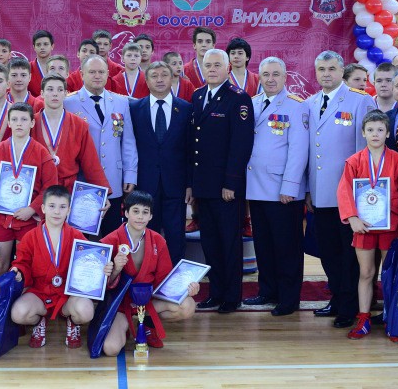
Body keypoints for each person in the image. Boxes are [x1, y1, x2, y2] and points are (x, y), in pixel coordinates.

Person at [306, 51, 376, 328]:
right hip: (319, 191)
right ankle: (336, 298)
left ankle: (350, 306)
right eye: (321, 69)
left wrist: (361, 193)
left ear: (341, 71)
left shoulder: (360, 101)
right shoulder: (310, 103)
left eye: (332, 69)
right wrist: (307, 189)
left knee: (349, 255)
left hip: (348, 194)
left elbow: (365, 151)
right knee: (328, 251)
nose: (326, 74)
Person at [244, 57, 309, 315]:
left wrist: (290, 187)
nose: (270, 79)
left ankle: (288, 299)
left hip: (282, 190)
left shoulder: (296, 105)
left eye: (275, 74)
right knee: (264, 245)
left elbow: (298, 150)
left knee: (287, 247)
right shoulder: (252, 103)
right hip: (256, 187)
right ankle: (267, 290)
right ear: (259, 77)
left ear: (285, 77)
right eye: (266, 74)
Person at [337, 110, 398, 340]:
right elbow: (344, 191)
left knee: (390, 274)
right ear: (363, 133)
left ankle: (392, 318)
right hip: (364, 226)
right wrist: (352, 218)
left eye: (380, 130)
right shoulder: (354, 161)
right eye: (370, 130)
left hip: (391, 225)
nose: (375, 134)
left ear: (388, 133)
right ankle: (364, 318)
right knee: (366, 272)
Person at [191, 49, 253, 314]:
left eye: (217, 65)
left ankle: (231, 296)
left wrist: (231, 183)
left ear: (228, 68)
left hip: (226, 187)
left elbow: (241, 145)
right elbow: (194, 144)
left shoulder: (238, 98)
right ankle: (215, 292)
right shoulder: (198, 96)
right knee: (211, 243)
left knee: (229, 242)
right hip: (203, 186)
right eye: (208, 65)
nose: (212, 69)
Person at [9, 185, 106, 349]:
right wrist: (19, 272)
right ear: (43, 208)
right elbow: (21, 262)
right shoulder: (30, 236)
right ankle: (39, 320)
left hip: (68, 294)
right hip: (40, 292)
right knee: (18, 314)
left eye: (62, 207)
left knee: (86, 311)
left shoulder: (77, 236)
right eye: (52, 206)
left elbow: (89, 262)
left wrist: (102, 267)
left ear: (69, 210)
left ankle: (72, 321)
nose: (56, 212)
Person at [101, 190, 198, 355]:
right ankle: (126, 326)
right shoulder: (109, 241)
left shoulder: (158, 241)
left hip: (147, 303)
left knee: (188, 305)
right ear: (126, 213)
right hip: (121, 306)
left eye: (145, 212)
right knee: (111, 349)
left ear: (151, 216)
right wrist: (116, 269)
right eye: (136, 211)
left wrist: (186, 288)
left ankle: (147, 324)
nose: (140, 217)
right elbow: (102, 287)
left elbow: (164, 280)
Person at [0, 103, 58, 279]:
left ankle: (21, 297)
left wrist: (32, 209)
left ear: (32, 123)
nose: (19, 123)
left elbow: (50, 187)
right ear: (8, 123)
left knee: (24, 265)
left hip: (28, 219)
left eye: (24, 119)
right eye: (14, 119)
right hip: (0, 218)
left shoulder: (41, 153)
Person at [64, 55, 138, 237]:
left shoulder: (121, 102)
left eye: (101, 72)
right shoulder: (69, 103)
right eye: (92, 72)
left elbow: (127, 141)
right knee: (82, 237)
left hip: (114, 178)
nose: (97, 76)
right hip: (83, 180)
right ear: (81, 74)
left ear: (108, 74)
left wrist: (130, 173)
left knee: (111, 235)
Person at [129, 62, 192, 264]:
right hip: (145, 183)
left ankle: (175, 278)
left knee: (176, 236)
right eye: (154, 76)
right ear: (146, 81)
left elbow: (190, 150)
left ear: (172, 78)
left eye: (164, 75)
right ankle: (148, 277)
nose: (159, 79)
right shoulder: (134, 109)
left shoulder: (186, 109)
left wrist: (190, 183)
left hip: (176, 184)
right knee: (146, 235)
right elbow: (129, 146)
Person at [33, 75, 109, 193]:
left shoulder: (79, 124)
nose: (55, 94)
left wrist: (102, 192)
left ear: (66, 94)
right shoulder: (31, 123)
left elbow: (91, 162)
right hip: (38, 188)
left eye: (60, 90)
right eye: (50, 89)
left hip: (68, 190)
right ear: (42, 93)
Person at [28, 30, 55, 97]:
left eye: (45, 44)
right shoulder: (28, 68)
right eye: (38, 45)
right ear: (34, 47)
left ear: (52, 46)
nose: (42, 47)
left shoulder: (61, 67)